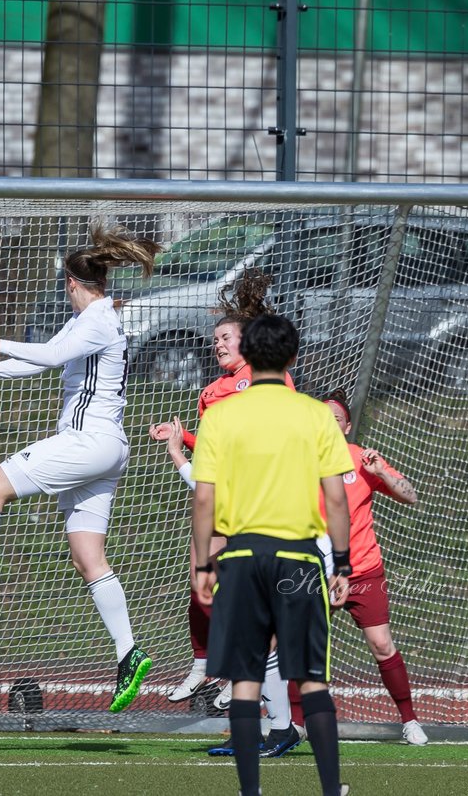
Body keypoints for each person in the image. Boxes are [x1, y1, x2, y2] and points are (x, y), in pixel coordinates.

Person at [0, 226, 162, 714]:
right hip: (106, 449)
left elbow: (53, 355)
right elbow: (42, 362)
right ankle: (129, 653)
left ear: (70, 281)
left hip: (87, 442)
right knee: (88, 556)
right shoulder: (94, 318)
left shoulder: (97, 320)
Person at [191, 314, 353, 796]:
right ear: (292, 358)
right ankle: (330, 789)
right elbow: (337, 498)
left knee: (244, 679)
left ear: (250, 354)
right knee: (311, 679)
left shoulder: (221, 414)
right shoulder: (315, 414)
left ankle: (250, 792)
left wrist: (203, 563)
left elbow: (204, 498)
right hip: (300, 563)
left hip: (239, 561)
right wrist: (342, 562)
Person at [147, 267, 304, 758]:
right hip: (230, 503)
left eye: (226, 337)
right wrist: (184, 441)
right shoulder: (217, 390)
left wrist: (184, 455)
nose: (217, 344)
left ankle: (271, 722)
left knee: (247, 616)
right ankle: (262, 719)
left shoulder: (261, 384)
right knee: (220, 603)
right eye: (214, 338)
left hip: (259, 507)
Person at [320, 389, 427, 746]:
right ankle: (296, 722)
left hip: (363, 570)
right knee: (301, 645)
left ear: (347, 426)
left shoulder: (360, 461)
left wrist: (380, 470)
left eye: (335, 419)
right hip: (315, 571)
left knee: (382, 644)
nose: (328, 425)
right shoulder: (299, 462)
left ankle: (409, 720)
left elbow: (410, 495)